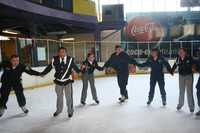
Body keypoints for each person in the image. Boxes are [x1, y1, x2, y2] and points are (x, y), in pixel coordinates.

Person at [40, 47, 80, 118]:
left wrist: (81, 70)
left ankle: (70, 111)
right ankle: (58, 110)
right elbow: (49, 67)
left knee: (69, 98)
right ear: (58, 53)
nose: (62, 53)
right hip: (58, 82)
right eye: (60, 52)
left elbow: (76, 69)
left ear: (66, 53)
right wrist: (43, 73)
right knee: (59, 98)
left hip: (67, 81)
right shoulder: (54, 59)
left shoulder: (70, 59)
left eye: (63, 52)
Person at [171, 48, 195, 113]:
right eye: (179, 52)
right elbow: (175, 65)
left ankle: (191, 107)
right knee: (181, 91)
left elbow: (194, 64)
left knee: (189, 92)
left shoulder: (189, 58)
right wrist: (172, 71)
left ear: (185, 52)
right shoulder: (178, 58)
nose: (180, 53)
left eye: (181, 52)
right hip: (181, 76)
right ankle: (180, 104)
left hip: (189, 76)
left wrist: (194, 68)